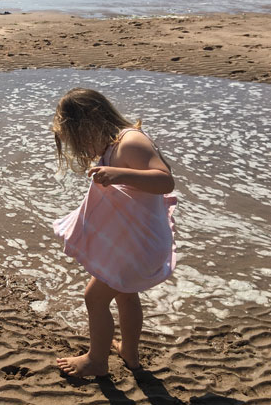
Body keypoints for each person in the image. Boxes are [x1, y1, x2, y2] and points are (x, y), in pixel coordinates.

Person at [51, 88, 177, 378]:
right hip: (138, 244)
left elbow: (164, 180)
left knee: (94, 297)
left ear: (90, 123)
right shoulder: (113, 145)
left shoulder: (131, 141)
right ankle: (129, 354)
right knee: (126, 295)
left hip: (140, 247)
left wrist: (119, 174)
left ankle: (97, 360)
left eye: (80, 140)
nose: (83, 148)